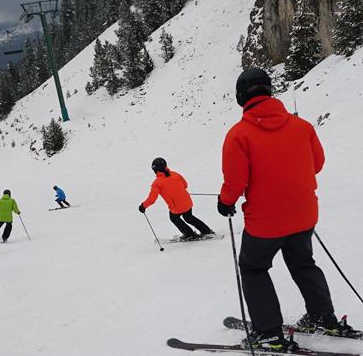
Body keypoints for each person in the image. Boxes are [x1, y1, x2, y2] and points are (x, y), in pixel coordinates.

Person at [217, 68, 350, 352]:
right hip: (304, 215)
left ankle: (268, 333)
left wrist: (225, 202)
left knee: (253, 268)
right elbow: (317, 164)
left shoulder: (239, 134)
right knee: (303, 263)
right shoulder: (301, 126)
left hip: (265, 223)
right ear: (269, 90)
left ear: (241, 97)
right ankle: (324, 318)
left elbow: (236, 182)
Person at [139, 157, 214, 240]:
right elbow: (185, 185)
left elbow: (152, 199)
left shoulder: (157, 183)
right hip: (187, 202)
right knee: (189, 217)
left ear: (155, 170)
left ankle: (189, 234)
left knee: (174, 218)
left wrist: (143, 206)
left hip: (176, 207)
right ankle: (206, 230)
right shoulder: (175, 174)